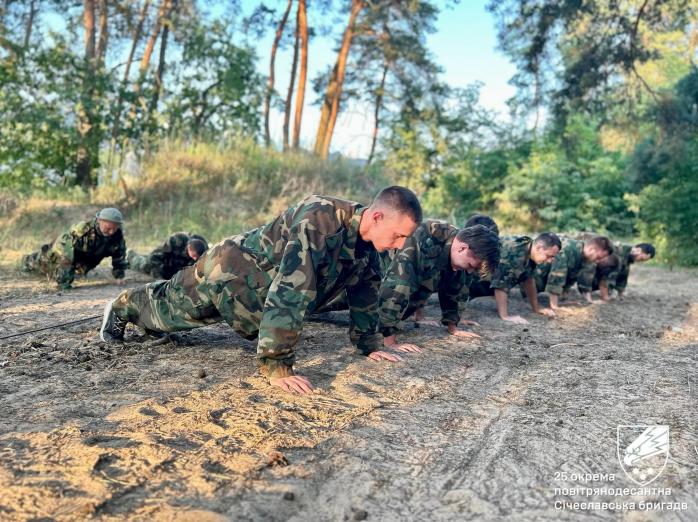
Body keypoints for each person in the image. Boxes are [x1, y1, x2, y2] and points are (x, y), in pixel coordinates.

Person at [100, 187, 422, 395]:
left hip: (257, 288)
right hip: (230, 271)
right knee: (169, 311)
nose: (401, 245)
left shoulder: (372, 246)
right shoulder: (321, 218)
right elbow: (293, 290)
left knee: (175, 313)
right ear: (377, 217)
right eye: (398, 235)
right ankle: (123, 304)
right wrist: (277, 364)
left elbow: (367, 292)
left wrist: (369, 343)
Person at [377, 222, 500, 353]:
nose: (469, 271)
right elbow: (397, 285)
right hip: (372, 292)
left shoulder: (461, 247)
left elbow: (457, 287)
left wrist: (453, 326)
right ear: (463, 248)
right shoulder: (422, 238)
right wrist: (390, 341)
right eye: (470, 265)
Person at [21, 208, 127, 290]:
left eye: (115, 228)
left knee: (76, 272)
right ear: (99, 221)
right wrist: (64, 282)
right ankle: (27, 260)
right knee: (43, 265)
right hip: (59, 254)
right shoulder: (82, 230)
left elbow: (119, 256)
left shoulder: (117, 236)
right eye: (108, 228)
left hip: (81, 260)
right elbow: (66, 254)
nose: (111, 232)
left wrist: (119, 276)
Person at [474, 232, 562, 324]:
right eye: (549, 256)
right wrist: (505, 316)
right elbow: (500, 285)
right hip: (472, 279)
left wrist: (536, 308)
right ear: (538, 247)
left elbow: (529, 280)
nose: (550, 261)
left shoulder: (530, 249)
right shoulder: (514, 252)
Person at [531, 235, 613, 312]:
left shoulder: (585, 259)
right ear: (592, 249)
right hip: (535, 279)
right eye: (598, 257)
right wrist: (554, 306)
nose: (598, 261)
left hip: (541, 283)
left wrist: (589, 301)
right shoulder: (569, 249)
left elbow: (583, 280)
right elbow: (557, 276)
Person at [127, 232, 209, 280]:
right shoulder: (177, 240)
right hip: (167, 261)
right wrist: (160, 273)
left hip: (179, 268)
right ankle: (130, 255)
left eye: (197, 257)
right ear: (189, 248)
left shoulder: (203, 249)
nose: (195, 258)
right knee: (145, 265)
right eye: (194, 256)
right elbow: (155, 257)